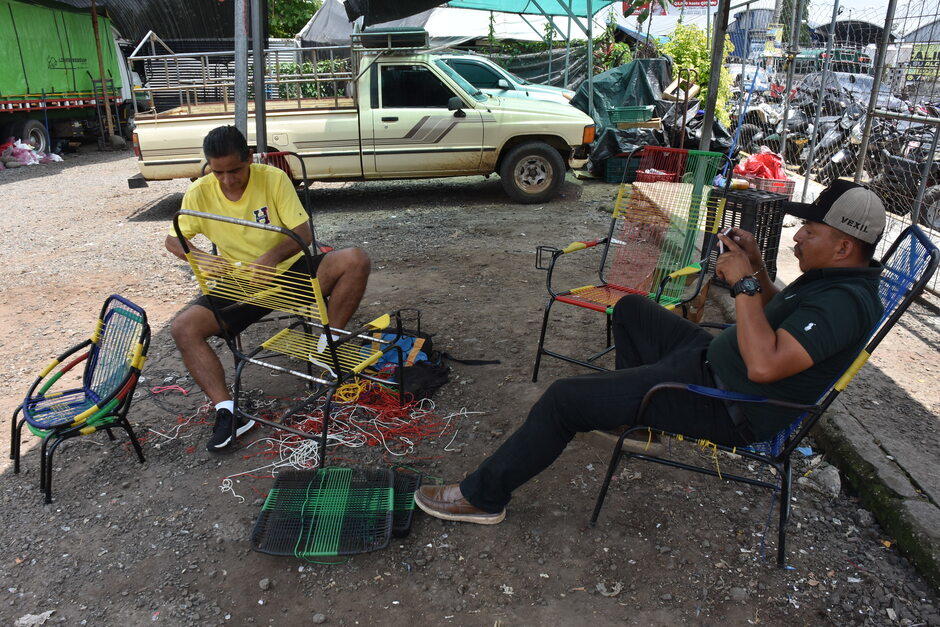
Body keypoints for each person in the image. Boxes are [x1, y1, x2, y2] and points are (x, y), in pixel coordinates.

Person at [416, 180, 887, 524]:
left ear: (844, 245)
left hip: (730, 404)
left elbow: (764, 366)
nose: (799, 236)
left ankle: (482, 497)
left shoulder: (844, 304)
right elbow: (768, 314)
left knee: (565, 399)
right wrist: (760, 269)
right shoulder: (834, 277)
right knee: (633, 309)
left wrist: (741, 281)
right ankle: (637, 418)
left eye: (811, 230)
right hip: (714, 358)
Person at [165, 125, 371, 452]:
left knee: (355, 259)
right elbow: (173, 239)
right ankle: (228, 412)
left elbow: (302, 232)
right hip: (241, 284)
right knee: (183, 328)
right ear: (208, 167)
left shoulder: (272, 178)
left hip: (288, 271)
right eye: (219, 172)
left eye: (235, 170)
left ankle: (326, 344)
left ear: (249, 158)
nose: (228, 180)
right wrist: (199, 257)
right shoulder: (201, 192)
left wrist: (271, 257)